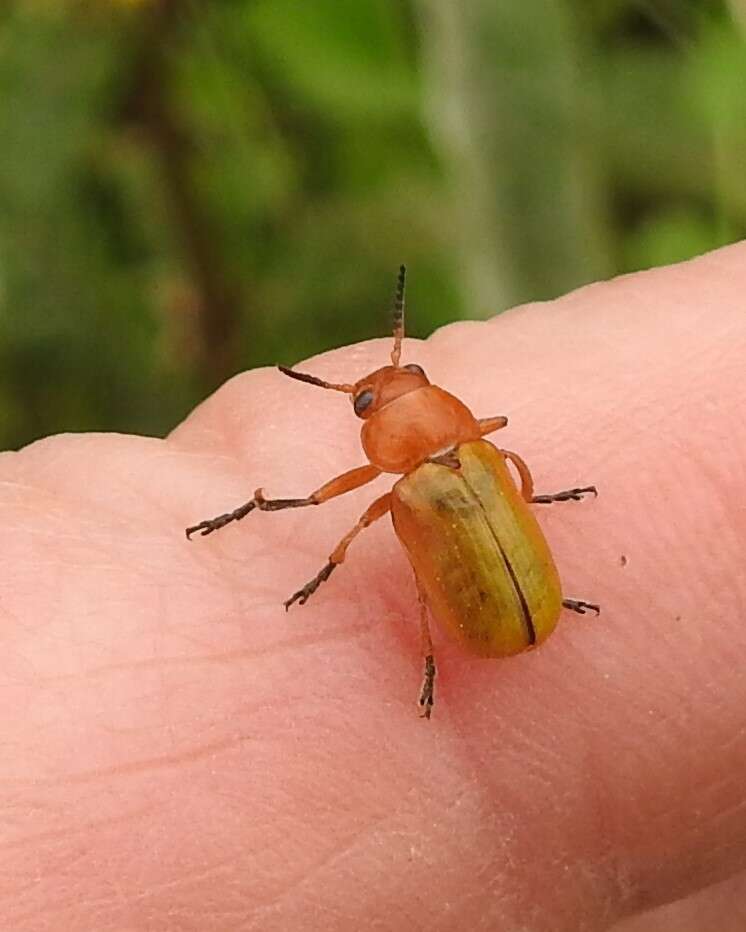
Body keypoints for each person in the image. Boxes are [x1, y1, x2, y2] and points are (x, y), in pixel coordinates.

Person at [2, 244, 744, 931]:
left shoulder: (416, 485)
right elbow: (491, 445)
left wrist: (330, 559)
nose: (386, 388)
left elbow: (341, 512)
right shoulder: (483, 453)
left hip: (492, 601)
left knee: (413, 570)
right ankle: (460, 617)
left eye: (390, 386)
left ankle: (422, 648)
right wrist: (527, 497)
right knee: (431, 538)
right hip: (514, 588)